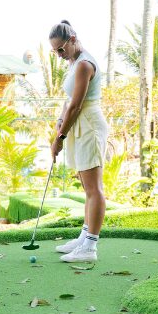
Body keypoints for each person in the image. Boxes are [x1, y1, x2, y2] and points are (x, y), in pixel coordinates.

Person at [49, 20, 109, 262]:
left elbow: (77, 104)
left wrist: (60, 137)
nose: (59, 55)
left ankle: (90, 248)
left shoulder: (84, 64)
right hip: (79, 125)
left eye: (61, 49)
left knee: (95, 189)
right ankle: (84, 236)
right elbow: (68, 101)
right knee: (87, 187)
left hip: (90, 126)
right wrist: (60, 121)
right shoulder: (74, 62)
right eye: (55, 52)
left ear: (73, 39)